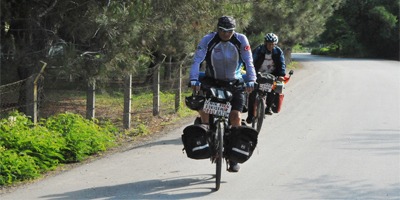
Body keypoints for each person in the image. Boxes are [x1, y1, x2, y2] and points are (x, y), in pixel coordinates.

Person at [189, 16, 257, 172]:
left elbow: (248, 61)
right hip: (212, 81)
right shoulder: (208, 40)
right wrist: (194, 79)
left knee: (236, 117)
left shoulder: (241, 40)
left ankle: (233, 158)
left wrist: (251, 80)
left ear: (234, 30)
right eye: (223, 31)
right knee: (204, 108)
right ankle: (205, 132)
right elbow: (197, 61)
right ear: (217, 29)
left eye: (230, 31)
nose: (226, 34)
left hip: (235, 82)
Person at [246, 33, 286, 124]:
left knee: (272, 90)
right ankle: (250, 115)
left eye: (272, 44)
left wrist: (281, 75)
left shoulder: (278, 51)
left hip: (272, 74)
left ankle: (268, 108)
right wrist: (250, 72)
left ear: (275, 44)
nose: (270, 46)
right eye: (268, 44)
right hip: (258, 73)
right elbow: (251, 60)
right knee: (252, 94)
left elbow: (282, 64)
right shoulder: (259, 49)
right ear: (265, 43)